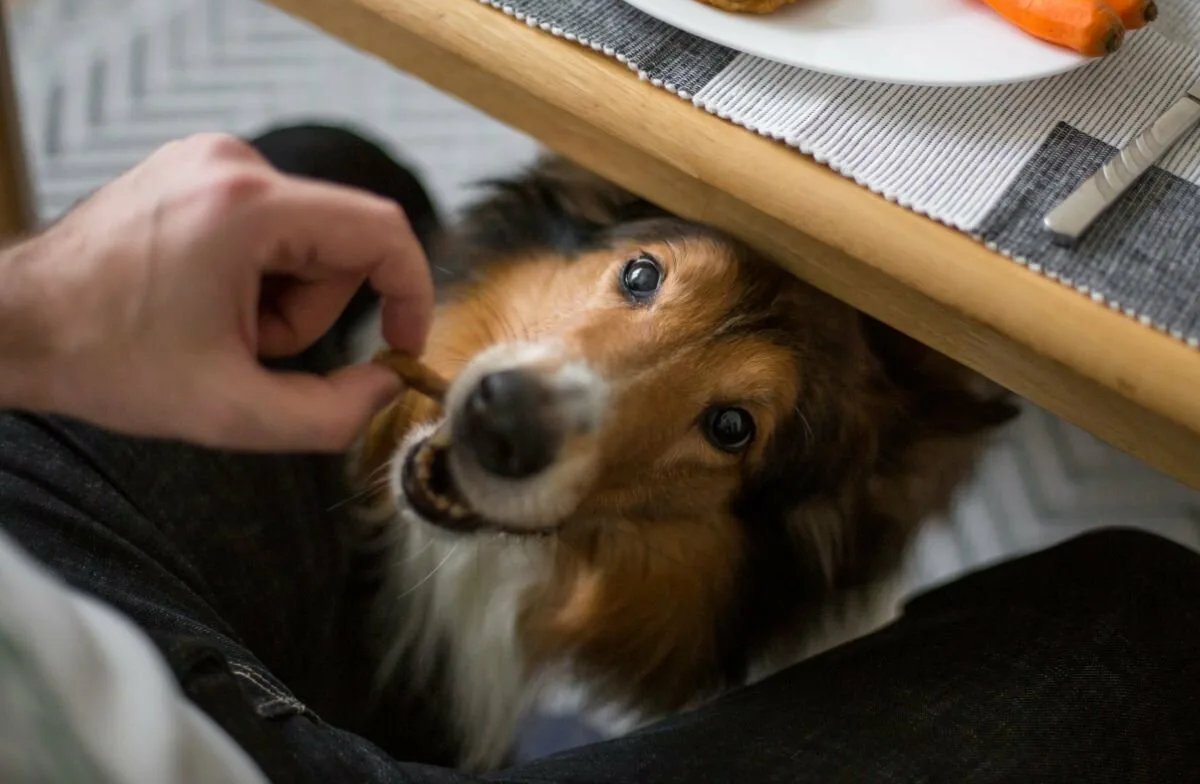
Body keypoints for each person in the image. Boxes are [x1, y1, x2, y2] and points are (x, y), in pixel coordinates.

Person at [0, 124, 1197, 784]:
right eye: (640, 278)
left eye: (731, 425)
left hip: (35, 579)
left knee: (331, 171)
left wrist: (34, 311)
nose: (538, 400)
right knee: (1147, 621)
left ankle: (392, 700)